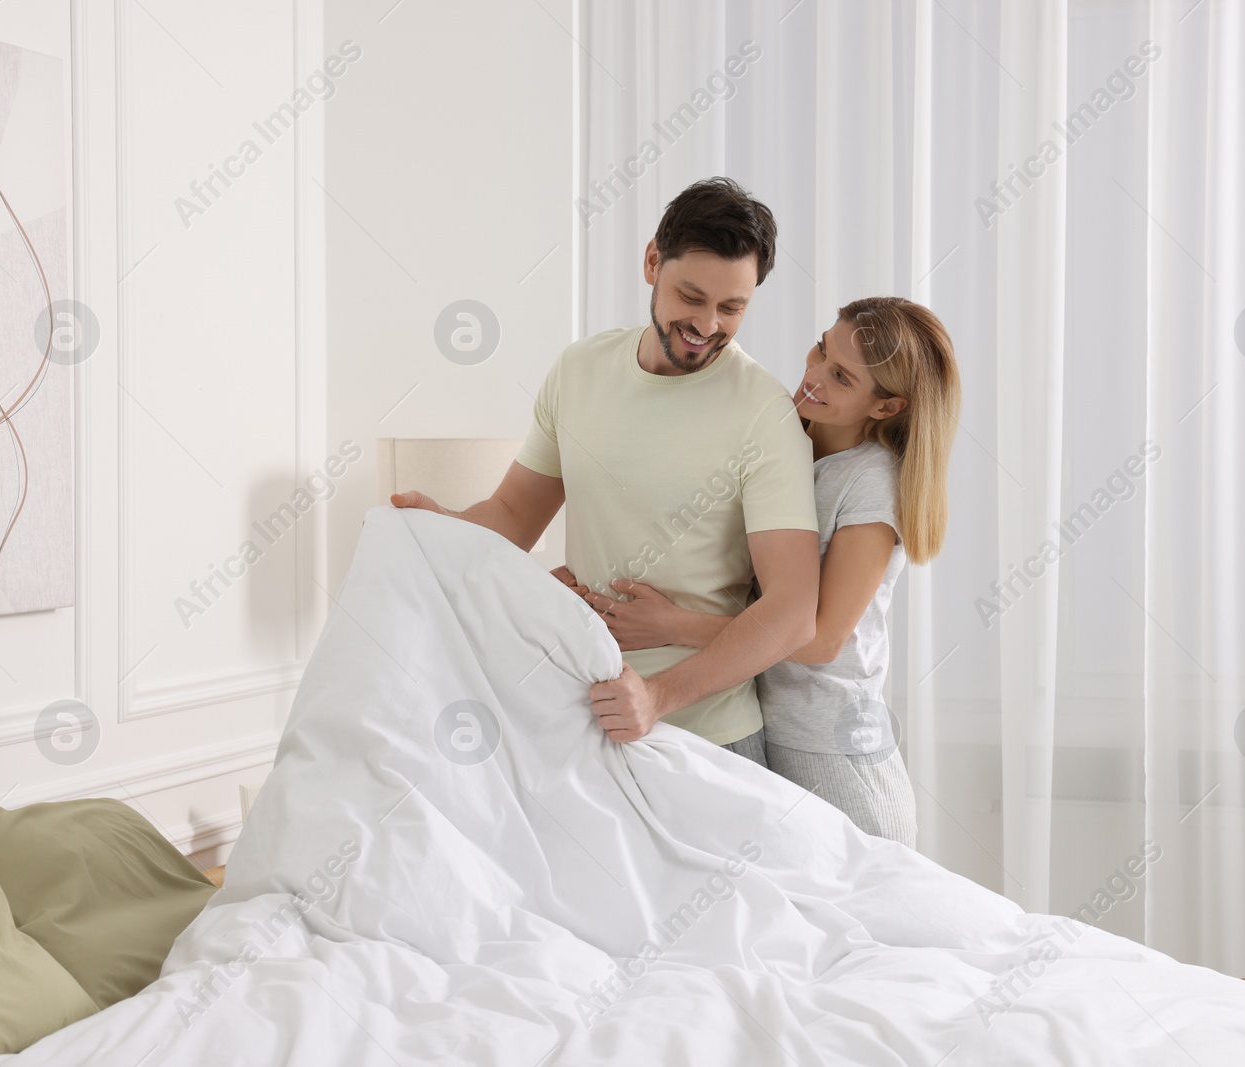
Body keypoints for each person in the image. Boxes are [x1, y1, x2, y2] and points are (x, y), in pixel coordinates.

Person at [392, 177, 820, 764]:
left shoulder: (765, 415)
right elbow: (515, 513)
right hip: (580, 713)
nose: (707, 325)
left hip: (707, 739)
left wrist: (658, 696)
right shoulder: (579, 370)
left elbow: (793, 613)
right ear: (652, 262)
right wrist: (445, 529)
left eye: (731, 307)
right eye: (690, 297)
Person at [580, 297, 960, 845]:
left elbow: (823, 637)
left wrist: (675, 624)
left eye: (841, 378)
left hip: (833, 750)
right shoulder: (788, 441)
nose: (813, 377)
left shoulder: (872, 483)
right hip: (768, 730)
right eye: (821, 350)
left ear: (885, 408)